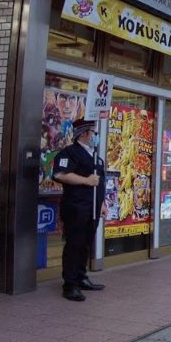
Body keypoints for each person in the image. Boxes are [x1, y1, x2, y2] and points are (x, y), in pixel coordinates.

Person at [52, 119, 107, 302]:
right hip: (76, 208)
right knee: (74, 245)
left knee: (85, 244)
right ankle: (70, 284)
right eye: (94, 133)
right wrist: (85, 180)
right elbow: (60, 174)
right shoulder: (69, 153)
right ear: (83, 134)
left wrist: (101, 204)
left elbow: (99, 183)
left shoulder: (95, 156)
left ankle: (81, 277)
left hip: (92, 209)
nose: (96, 137)